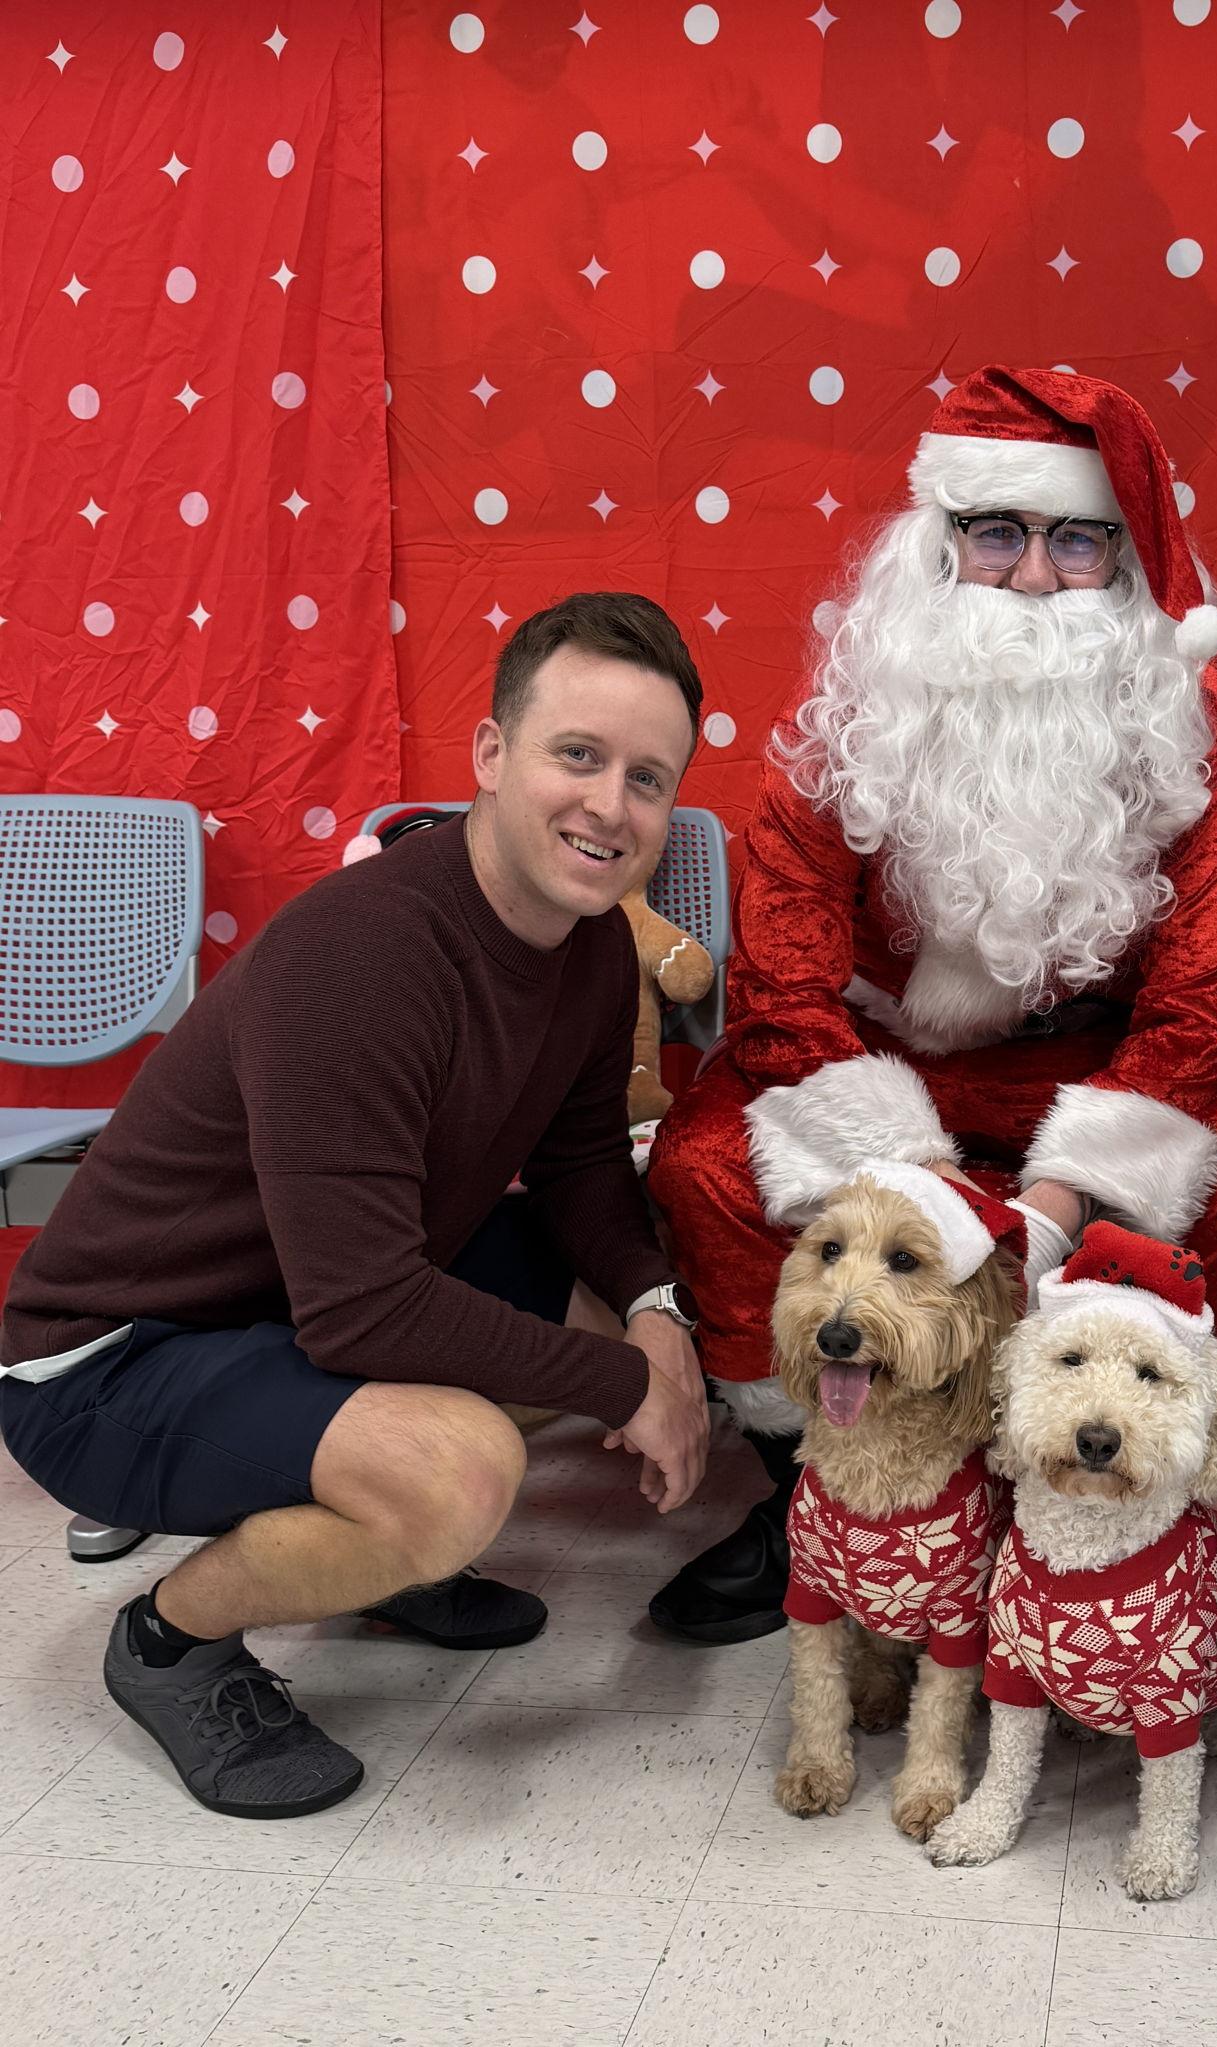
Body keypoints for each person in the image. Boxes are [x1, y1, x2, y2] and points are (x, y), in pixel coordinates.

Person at [0, 592, 712, 1820]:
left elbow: (587, 1167)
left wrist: (656, 1321)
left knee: (608, 1307)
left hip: (291, 1302)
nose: (610, 807)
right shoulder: (367, 954)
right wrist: (629, 1386)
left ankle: (377, 1562)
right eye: (577, 755)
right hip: (109, 1363)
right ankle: (172, 1642)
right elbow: (362, 1311)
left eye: (648, 778)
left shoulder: (591, 946)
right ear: (492, 755)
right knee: (461, 1474)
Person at [645, 365, 1217, 1645]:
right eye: (998, 534)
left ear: (1120, 553)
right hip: (880, 1058)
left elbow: (1208, 1002)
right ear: (939, 547)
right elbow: (777, 965)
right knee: (701, 1168)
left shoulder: (1199, 717)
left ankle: (1100, 1492)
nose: (1036, 576)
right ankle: (819, 1488)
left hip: (1095, 1072)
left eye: (1074, 539)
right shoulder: (857, 701)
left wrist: (1051, 1204)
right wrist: (913, 1185)